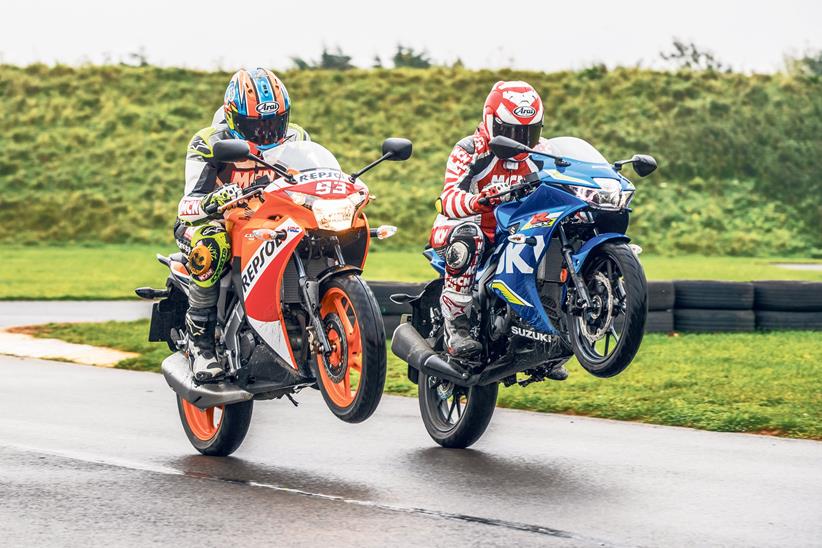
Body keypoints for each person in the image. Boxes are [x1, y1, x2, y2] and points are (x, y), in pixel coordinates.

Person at [175, 68, 310, 382]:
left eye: (274, 123)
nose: (266, 133)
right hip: (211, 223)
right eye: (255, 126)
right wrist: (213, 201)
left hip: (267, 221)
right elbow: (187, 205)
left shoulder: (297, 138)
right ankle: (201, 343)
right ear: (234, 119)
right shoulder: (208, 142)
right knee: (210, 246)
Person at [429, 81, 567, 380]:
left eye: (528, 132)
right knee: (468, 238)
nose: (521, 140)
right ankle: (457, 327)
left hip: (513, 231)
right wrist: (478, 200)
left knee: (557, 233)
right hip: (466, 226)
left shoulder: (542, 152)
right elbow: (447, 199)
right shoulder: (470, 148)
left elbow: (563, 185)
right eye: (512, 132)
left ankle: (546, 333)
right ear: (491, 122)